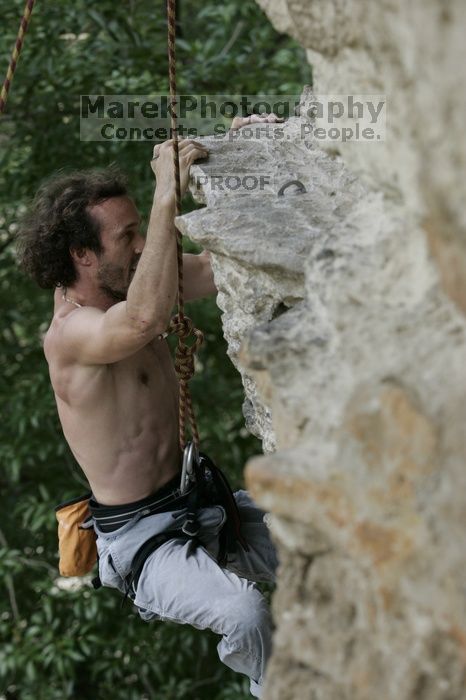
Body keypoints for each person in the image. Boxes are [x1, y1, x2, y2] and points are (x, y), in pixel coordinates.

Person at [16, 117, 282, 698]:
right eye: (126, 236)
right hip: (145, 540)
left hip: (202, 503)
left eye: (142, 231)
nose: (140, 245)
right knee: (245, 616)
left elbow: (219, 269)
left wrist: (250, 158)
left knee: (333, 531)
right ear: (83, 254)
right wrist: (165, 192)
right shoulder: (71, 334)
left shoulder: (131, 284)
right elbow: (142, 321)